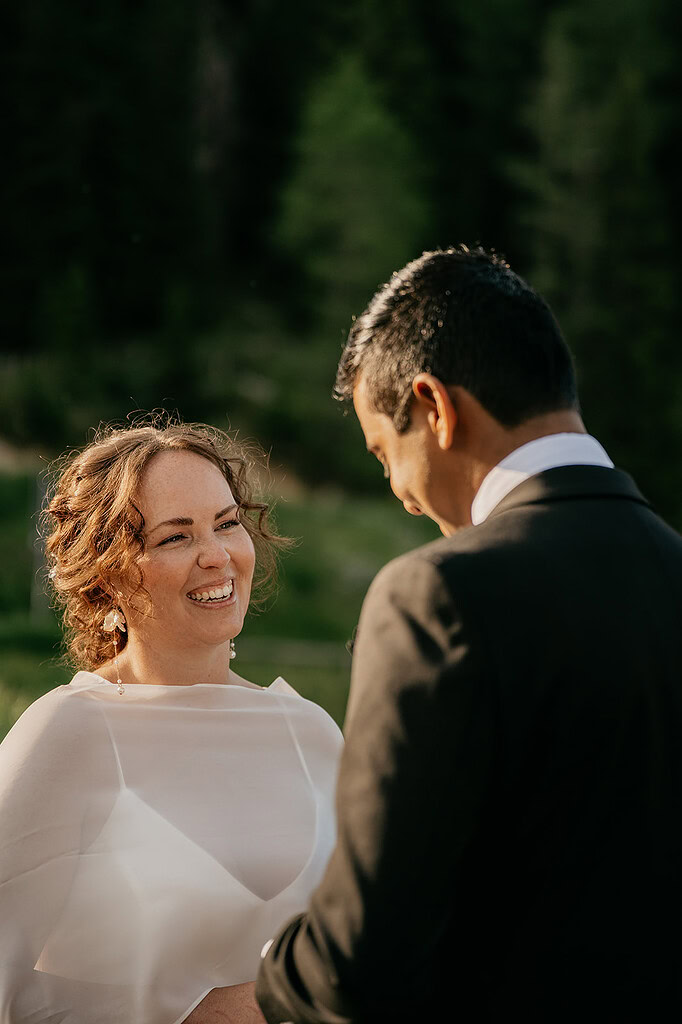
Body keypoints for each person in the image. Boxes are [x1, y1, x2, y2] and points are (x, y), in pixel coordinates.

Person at [256, 246, 682, 1021]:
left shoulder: (440, 597)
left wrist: (269, 972)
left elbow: (362, 964)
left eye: (387, 455)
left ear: (435, 408)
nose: (403, 498)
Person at [0, 421, 343, 1024]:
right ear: (107, 576)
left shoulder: (312, 732)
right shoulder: (69, 730)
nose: (217, 555)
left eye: (227, 523)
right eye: (175, 537)